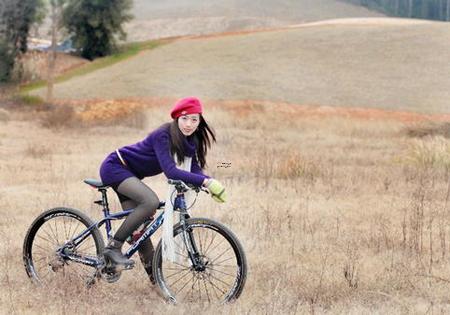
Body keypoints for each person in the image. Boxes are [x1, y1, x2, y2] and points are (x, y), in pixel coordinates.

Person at [98, 96, 227, 277]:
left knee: (139, 233)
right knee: (149, 201)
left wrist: (210, 183)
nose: (189, 124)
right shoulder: (164, 134)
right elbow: (171, 172)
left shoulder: (191, 140)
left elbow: (195, 169)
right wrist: (205, 182)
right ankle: (113, 248)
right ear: (176, 118)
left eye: (194, 119)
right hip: (116, 167)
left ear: (200, 121)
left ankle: (155, 283)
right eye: (184, 118)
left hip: (132, 175)